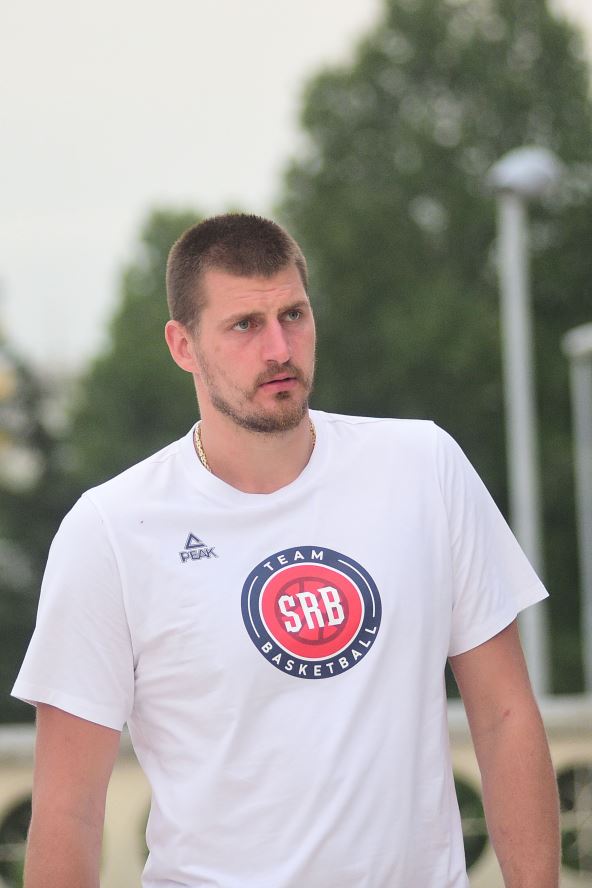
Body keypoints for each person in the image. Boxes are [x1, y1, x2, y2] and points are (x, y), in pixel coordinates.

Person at [13, 213, 559, 888]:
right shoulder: (112, 530)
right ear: (183, 345)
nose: (279, 348)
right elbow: (69, 810)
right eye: (245, 325)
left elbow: (505, 717)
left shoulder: (423, 466)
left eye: (293, 315)